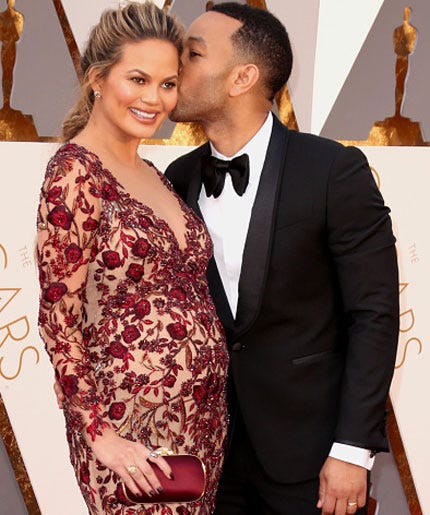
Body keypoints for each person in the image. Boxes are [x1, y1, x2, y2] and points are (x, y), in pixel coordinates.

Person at [164, 3, 399, 515]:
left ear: (242, 77)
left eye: (193, 54)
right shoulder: (177, 179)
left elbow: (373, 314)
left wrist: (352, 449)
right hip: (209, 455)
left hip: (312, 457)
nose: (174, 65)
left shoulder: (332, 170)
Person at [37, 2, 228, 514]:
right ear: (98, 79)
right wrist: (99, 435)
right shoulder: (75, 174)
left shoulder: (157, 174)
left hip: (200, 426)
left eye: (168, 84)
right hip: (128, 432)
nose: (153, 99)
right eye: (138, 79)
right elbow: (59, 317)